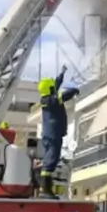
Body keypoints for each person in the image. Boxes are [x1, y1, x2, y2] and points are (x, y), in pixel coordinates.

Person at [38, 64, 80, 197]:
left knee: (51, 159)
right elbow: (63, 95)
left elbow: (55, 85)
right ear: (49, 89)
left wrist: (62, 74)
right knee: (50, 160)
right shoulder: (51, 100)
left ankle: (45, 188)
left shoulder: (47, 98)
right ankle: (45, 189)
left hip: (51, 134)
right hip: (53, 135)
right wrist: (74, 90)